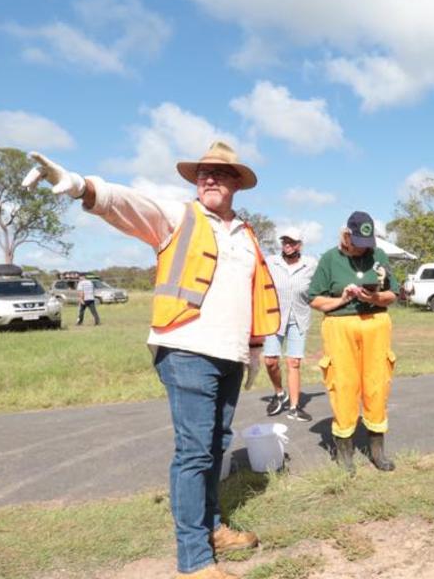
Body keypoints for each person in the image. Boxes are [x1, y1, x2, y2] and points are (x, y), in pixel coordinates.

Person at [22, 141, 279, 579]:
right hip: (186, 349)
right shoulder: (180, 217)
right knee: (195, 452)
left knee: (216, 444)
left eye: (219, 172)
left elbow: (252, 295)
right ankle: (195, 561)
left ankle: (213, 528)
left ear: (237, 182)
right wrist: (83, 187)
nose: (210, 178)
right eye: (203, 173)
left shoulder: (246, 234)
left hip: (229, 354)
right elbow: (129, 205)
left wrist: (255, 350)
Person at [308, 211, 397, 474]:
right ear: (346, 236)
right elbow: (315, 299)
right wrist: (343, 299)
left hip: (376, 323)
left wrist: (373, 297)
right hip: (340, 326)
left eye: (367, 243)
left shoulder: (378, 256)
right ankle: (344, 451)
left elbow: (392, 293)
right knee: (344, 385)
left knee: (376, 385)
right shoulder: (329, 259)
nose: (363, 248)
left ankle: (377, 451)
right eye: (357, 241)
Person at [263, 227, 316, 421]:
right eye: (285, 241)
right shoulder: (271, 262)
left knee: (294, 362)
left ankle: (294, 407)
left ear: (299, 245)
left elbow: (321, 284)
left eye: (292, 242)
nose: (287, 245)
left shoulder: (310, 265)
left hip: (299, 318)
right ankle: (279, 393)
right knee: (270, 361)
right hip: (274, 317)